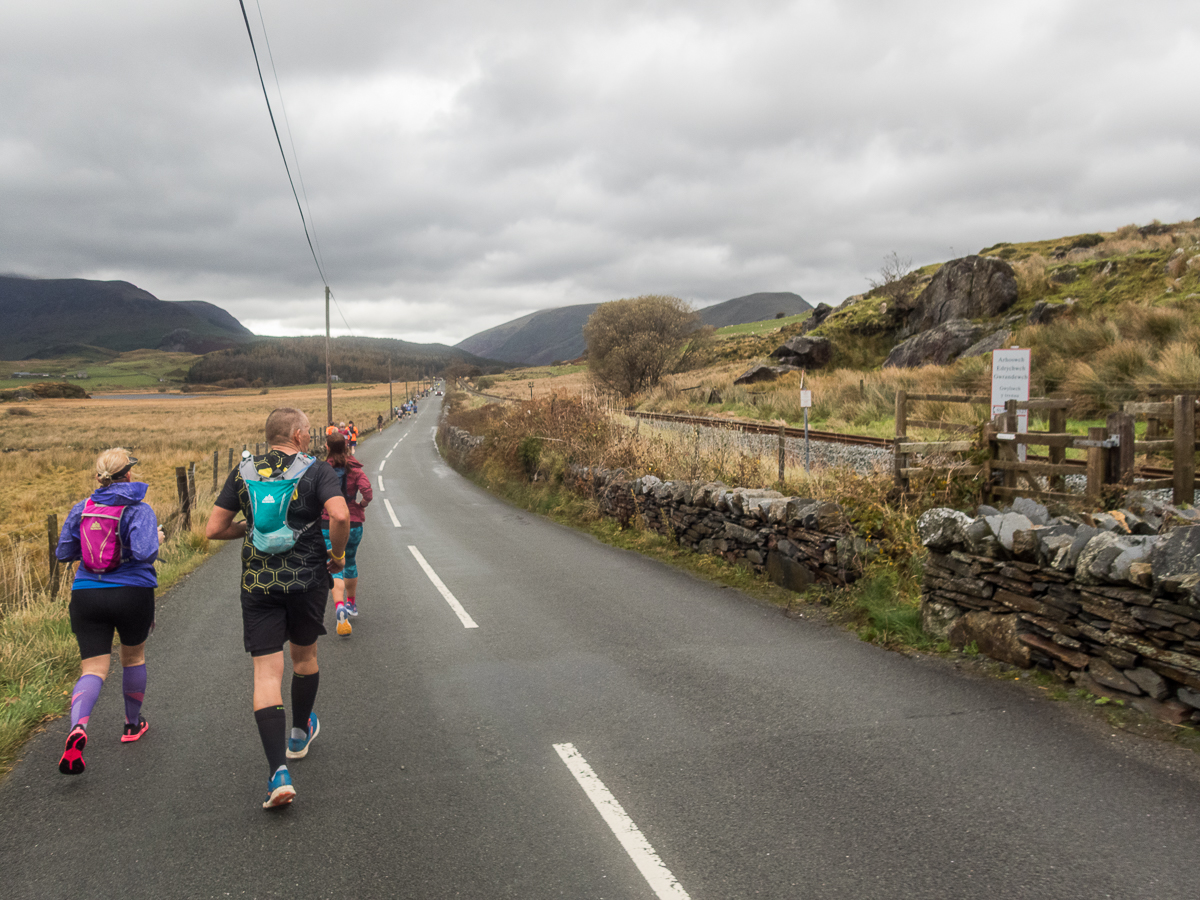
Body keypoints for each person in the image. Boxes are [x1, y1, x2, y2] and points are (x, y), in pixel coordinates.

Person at [205, 408, 349, 810]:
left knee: (266, 674)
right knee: (304, 658)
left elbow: (213, 529)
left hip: (258, 583)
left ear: (270, 436)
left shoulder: (243, 472)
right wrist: (336, 555)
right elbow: (339, 514)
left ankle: (277, 774)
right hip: (306, 582)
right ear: (300, 435)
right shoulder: (315, 470)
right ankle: (300, 734)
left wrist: (251, 531)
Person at [54, 448, 162, 775]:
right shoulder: (138, 509)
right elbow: (145, 554)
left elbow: (63, 552)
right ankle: (132, 725)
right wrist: (156, 538)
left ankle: (79, 727)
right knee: (133, 657)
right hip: (132, 592)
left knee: (93, 668)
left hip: (86, 593)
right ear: (128, 474)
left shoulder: (82, 509)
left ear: (98, 477)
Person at [320, 432, 372, 636]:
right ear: (346, 446)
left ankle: (339, 604)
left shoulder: (323, 471)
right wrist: (361, 504)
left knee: (335, 564)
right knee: (349, 560)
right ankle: (351, 604)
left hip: (328, 522)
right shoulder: (356, 470)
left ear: (326, 448)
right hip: (354, 521)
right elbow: (368, 492)